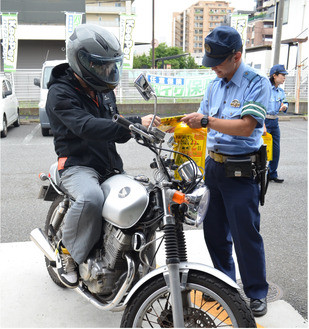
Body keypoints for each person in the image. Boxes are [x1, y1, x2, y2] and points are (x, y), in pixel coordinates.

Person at [45, 24, 160, 289]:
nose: (108, 71)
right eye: (100, 65)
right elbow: (85, 126)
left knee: (146, 200)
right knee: (91, 197)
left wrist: (141, 130)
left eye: (111, 65)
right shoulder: (60, 93)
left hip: (109, 164)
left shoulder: (103, 90)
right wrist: (133, 123)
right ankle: (68, 255)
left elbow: (113, 124)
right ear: (81, 61)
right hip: (76, 164)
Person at [180, 26, 271, 317]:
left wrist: (206, 121)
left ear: (237, 56)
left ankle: (256, 292)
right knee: (215, 233)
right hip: (213, 168)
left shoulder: (256, 83)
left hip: (241, 171)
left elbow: (246, 127)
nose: (214, 69)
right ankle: (225, 284)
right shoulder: (214, 85)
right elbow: (202, 123)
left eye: (219, 63)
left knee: (246, 235)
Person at [265, 64, 289, 183]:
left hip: (275, 121)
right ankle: (259, 174)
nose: (284, 77)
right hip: (264, 121)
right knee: (262, 149)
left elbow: (285, 102)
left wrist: (285, 107)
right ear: (274, 76)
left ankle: (272, 173)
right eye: (282, 75)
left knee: (276, 149)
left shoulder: (280, 91)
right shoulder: (265, 89)